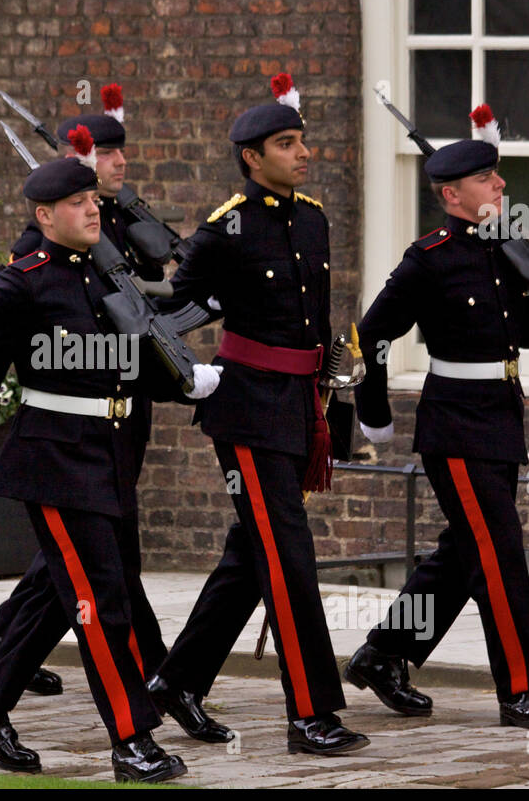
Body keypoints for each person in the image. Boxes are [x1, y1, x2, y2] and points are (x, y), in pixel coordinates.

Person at [0, 134, 222, 782]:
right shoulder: (21, 285)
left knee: (55, 601)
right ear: (44, 215)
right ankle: (131, 739)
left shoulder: (100, 274)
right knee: (103, 601)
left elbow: (119, 362)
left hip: (104, 457)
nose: (92, 210)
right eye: (76, 203)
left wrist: (184, 380)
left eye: (91, 200)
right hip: (56, 463)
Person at [345, 107, 529, 729]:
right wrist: (375, 412)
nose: (500, 186)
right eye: (487, 180)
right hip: (456, 426)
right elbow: (372, 335)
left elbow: (517, 326)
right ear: (451, 194)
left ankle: (384, 653)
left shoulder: (504, 250)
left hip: (499, 419)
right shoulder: (428, 259)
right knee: (500, 552)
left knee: (466, 554)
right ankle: (521, 691)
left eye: (498, 177)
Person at [146, 73, 369, 755]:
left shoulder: (313, 215)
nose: (302, 153)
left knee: (252, 555)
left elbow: (318, 317)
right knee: (289, 556)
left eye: (301, 141)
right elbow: (169, 318)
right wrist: (184, 380)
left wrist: (338, 393)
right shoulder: (223, 228)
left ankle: (176, 682)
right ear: (251, 156)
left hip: (301, 406)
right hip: (244, 411)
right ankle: (310, 714)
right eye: (286, 143)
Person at [0, 84, 169, 699]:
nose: (118, 165)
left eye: (117, 156)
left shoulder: (110, 225)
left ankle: (0, 661)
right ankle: (146, 684)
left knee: (90, 558)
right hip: (67, 430)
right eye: (106, 156)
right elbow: (14, 328)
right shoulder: (43, 249)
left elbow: (156, 274)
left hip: (118, 411)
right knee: (99, 565)